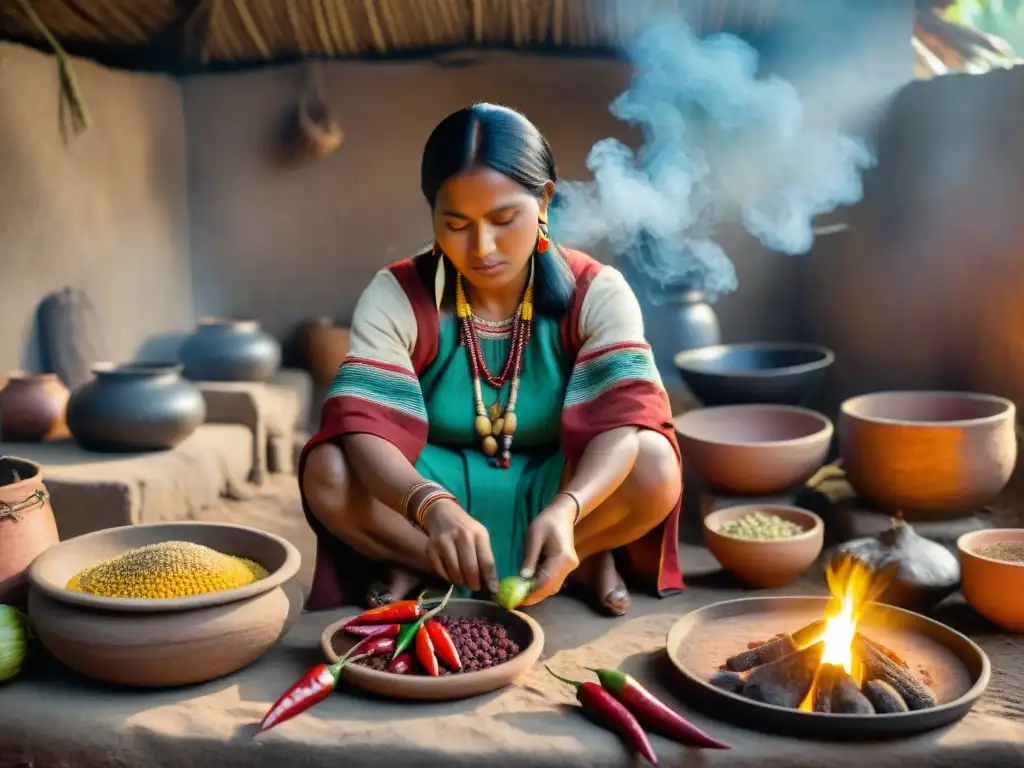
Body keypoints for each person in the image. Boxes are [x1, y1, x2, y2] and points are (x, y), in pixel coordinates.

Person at [299, 103, 684, 617]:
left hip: (556, 484)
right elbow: (363, 426)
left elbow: (625, 421)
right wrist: (428, 506)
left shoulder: (597, 290)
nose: (482, 248)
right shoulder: (397, 292)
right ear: (431, 210)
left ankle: (575, 553)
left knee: (655, 463)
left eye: (504, 219)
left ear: (544, 200)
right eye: (455, 223)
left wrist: (569, 511)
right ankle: (444, 561)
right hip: (429, 488)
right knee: (328, 470)